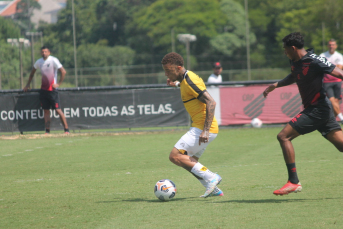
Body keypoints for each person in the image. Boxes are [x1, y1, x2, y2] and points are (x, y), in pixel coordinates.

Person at [263, 32, 343, 196]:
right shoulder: (294, 60)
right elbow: (294, 75)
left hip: (318, 109)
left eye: (285, 49)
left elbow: (339, 73)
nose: (284, 52)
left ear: (293, 48)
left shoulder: (315, 60)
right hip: (321, 111)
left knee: (283, 136)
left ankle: (293, 182)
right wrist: (276, 85)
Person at [161, 52, 222, 198]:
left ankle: (211, 177)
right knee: (189, 162)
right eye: (165, 71)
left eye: (169, 71)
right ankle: (212, 188)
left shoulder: (189, 80)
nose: (166, 74)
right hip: (203, 127)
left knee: (175, 156)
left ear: (179, 67)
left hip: (203, 127)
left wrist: (205, 131)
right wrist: (175, 83)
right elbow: (187, 86)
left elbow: (211, 102)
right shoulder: (184, 79)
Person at [23, 46, 69, 134]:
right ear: (41, 53)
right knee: (46, 111)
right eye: (42, 52)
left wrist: (58, 84)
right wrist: (27, 84)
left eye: (46, 52)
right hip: (43, 91)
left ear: (49, 52)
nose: (44, 53)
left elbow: (63, 71)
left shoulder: (53, 60)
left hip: (52, 90)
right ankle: (47, 131)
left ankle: (66, 130)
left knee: (58, 110)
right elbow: (32, 73)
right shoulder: (39, 62)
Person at [320, 39, 343, 123]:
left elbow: (339, 68)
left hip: (337, 81)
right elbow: (322, 67)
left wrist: (328, 66)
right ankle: (341, 118)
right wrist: (334, 66)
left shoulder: (339, 56)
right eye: (330, 45)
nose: (331, 46)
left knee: (336, 102)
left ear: (335, 46)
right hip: (327, 82)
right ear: (327, 46)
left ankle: (332, 121)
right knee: (332, 100)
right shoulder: (323, 55)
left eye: (333, 45)